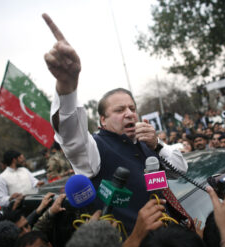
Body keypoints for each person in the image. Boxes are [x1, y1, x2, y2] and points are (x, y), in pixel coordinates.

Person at [42, 13, 188, 234]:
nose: (129, 114)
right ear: (103, 120)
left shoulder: (145, 144)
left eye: (132, 108)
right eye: (119, 110)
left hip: (174, 236)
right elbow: (71, 136)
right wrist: (67, 85)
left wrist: (157, 144)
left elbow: (181, 170)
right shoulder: (95, 148)